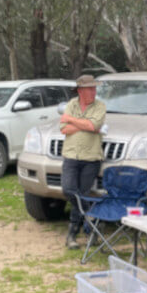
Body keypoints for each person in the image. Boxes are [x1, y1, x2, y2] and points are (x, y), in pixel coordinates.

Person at [60, 74, 106, 250]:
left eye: (94, 88)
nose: (93, 92)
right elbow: (63, 129)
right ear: (80, 91)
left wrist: (72, 120)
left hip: (91, 157)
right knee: (69, 190)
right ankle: (93, 219)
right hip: (71, 155)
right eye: (90, 89)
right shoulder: (71, 104)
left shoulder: (100, 106)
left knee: (82, 192)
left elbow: (93, 126)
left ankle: (72, 233)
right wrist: (84, 124)